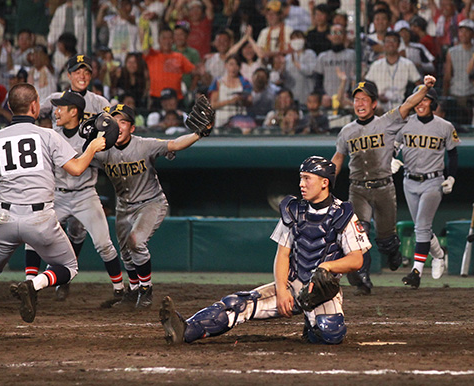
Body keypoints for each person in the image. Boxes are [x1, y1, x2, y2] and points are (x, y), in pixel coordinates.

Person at [0, 84, 107, 341]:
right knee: (69, 266)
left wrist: (6, 187)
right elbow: (77, 168)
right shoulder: (48, 136)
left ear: (10, 108)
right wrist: (92, 147)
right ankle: (34, 284)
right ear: (35, 106)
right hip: (41, 217)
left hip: (5, 217)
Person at [159, 156, 371, 345]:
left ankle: (312, 324)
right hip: (293, 284)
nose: (301, 184)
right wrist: (281, 290)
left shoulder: (343, 213)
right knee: (238, 304)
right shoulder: (293, 211)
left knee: (331, 334)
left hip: (322, 291)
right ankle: (186, 329)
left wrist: (328, 266)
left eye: (307, 178)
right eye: (301, 178)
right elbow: (282, 254)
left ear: (325, 182)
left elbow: (356, 260)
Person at [93, 102, 212, 309]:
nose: (118, 126)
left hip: (151, 202)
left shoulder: (144, 144)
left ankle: (146, 289)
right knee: (126, 253)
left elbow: (174, 144)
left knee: (136, 241)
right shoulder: (101, 150)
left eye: (123, 122)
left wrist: (198, 134)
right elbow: (75, 160)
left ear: (132, 127)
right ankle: (133, 290)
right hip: (123, 206)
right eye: (114, 122)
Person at [331, 76, 434, 295]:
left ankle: (394, 253)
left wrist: (426, 88)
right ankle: (362, 279)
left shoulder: (386, 121)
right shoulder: (347, 131)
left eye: (364, 99)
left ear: (374, 103)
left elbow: (408, 104)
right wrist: (326, 179)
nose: (360, 103)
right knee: (359, 236)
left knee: (386, 241)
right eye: (356, 99)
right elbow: (338, 158)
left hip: (384, 188)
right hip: (358, 190)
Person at [38, 91, 124, 303]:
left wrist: (96, 150)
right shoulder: (52, 135)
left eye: (61, 108)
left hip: (85, 195)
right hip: (58, 195)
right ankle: (31, 282)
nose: (55, 111)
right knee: (36, 236)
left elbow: (105, 161)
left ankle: (121, 290)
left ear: (73, 111)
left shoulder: (90, 135)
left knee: (104, 244)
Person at [397, 88, 459, 289]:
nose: (421, 104)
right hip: (409, 180)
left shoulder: (445, 126)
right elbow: (393, 146)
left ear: (433, 103)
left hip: (433, 181)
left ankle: (416, 272)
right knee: (421, 227)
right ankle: (439, 254)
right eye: (418, 101)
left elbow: (453, 154)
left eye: (426, 100)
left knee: (422, 225)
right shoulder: (405, 123)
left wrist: (451, 177)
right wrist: (391, 159)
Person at [41, 55, 110, 122]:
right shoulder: (55, 99)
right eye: (78, 73)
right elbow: (33, 113)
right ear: (69, 75)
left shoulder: (100, 102)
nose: (82, 77)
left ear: (90, 76)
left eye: (86, 73)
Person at [365, 31, 421, 112]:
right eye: (388, 41)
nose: (391, 44)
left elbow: (419, 85)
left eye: (394, 41)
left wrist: (410, 102)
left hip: (401, 107)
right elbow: (367, 87)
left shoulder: (407, 64)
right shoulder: (376, 65)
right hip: (379, 108)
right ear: (384, 44)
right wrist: (376, 96)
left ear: (398, 44)